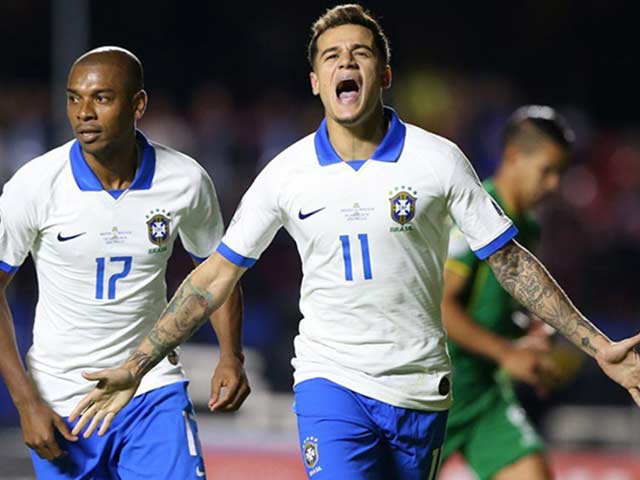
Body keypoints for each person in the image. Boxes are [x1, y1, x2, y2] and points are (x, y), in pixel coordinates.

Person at [69, 5, 640, 480]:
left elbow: (510, 262)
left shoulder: (437, 160)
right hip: (331, 382)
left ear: (383, 75)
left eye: (360, 53)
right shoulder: (286, 173)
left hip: (420, 390)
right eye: (331, 56)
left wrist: (598, 348)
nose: (345, 62)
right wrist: (137, 364)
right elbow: (215, 275)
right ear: (315, 82)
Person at [0, 46, 249, 479]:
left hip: (150, 388)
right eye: (74, 98)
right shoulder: (35, 185)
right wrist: (26, 402)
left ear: (138, 105)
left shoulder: (185, 181)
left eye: (101, 98)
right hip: (64, 400)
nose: (84, 112)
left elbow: (217, 274)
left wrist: (232, 355)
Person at [441, 106, 573, 480]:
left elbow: (502, 303)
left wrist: (534, 331)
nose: (554, 185)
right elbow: (440, 307)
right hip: (431, 392)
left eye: (560, 173)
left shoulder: (527, 227)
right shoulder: (476, 212)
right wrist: (507, 354)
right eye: (547, 171)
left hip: (483, 394)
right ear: (514, 157)